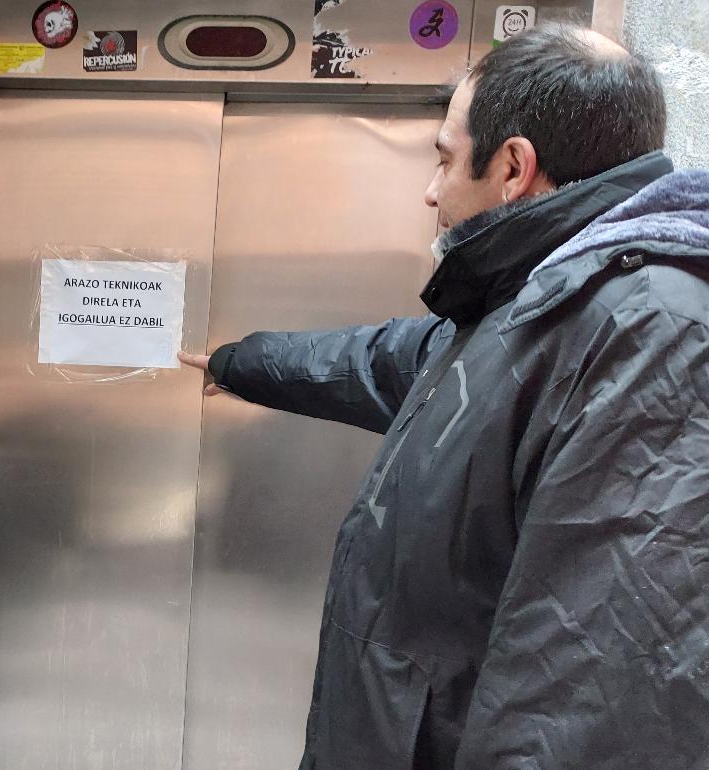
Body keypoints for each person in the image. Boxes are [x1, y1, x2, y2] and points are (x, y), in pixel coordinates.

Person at [181, 24, 709, 768]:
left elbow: (589, 706)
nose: (432, 190)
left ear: (514, 167)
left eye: (445, 158)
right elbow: (370, 361)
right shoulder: (528, 309)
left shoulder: (649, 331)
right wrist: (239, 362)